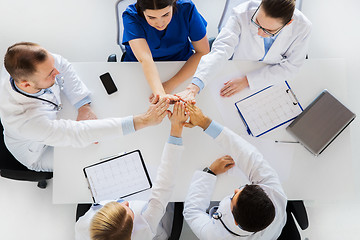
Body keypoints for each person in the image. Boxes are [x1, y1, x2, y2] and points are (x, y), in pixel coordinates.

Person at [0, 42, 170, 172]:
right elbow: (78, 133)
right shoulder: (24, 118)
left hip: (52, 124)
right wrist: (143, 120)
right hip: (38, 152)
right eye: (50, 74)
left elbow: (63, 65)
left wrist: (83, 105)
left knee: (105, 137)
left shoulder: (25, 66)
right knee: (96, 159)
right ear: (26, 84)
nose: (57, 73)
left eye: (52, 67)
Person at [75, 102, 188, 240]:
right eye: (129, 212)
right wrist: (176, 128)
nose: (125, 202)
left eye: (114, 205)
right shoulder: (145, 226)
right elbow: (166, 181)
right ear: (132, 231)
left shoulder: (82, 227)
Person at [183, 103, 287, 239]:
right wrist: (206, 123)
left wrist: (209, 172)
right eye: (243, 189)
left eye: (233, 198)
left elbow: (192, 212)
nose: (236, 191)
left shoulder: (216, 236)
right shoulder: (275, 196)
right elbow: (250, 156)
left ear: (236, 222)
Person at [176, 0, 312, 101]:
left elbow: (291, 67)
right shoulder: (241, 13)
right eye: (257, 22)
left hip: (269, 81)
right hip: (236, 68)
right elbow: (221, 50)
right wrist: (194, 87)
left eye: (268, 31)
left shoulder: (302, 27)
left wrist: (248, 81)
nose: (259, 32)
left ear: (288, 23)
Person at [122, 0, 210, 102]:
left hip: (181, 65)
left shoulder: (187, 8)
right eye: (151, 17)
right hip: (140, 69)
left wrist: (169, 85)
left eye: (166, 14)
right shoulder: (131, 15)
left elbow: (203, 51)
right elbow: (145, 59)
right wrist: (160, 94)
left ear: (174, 4)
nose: (160, 23)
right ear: (142, 11)